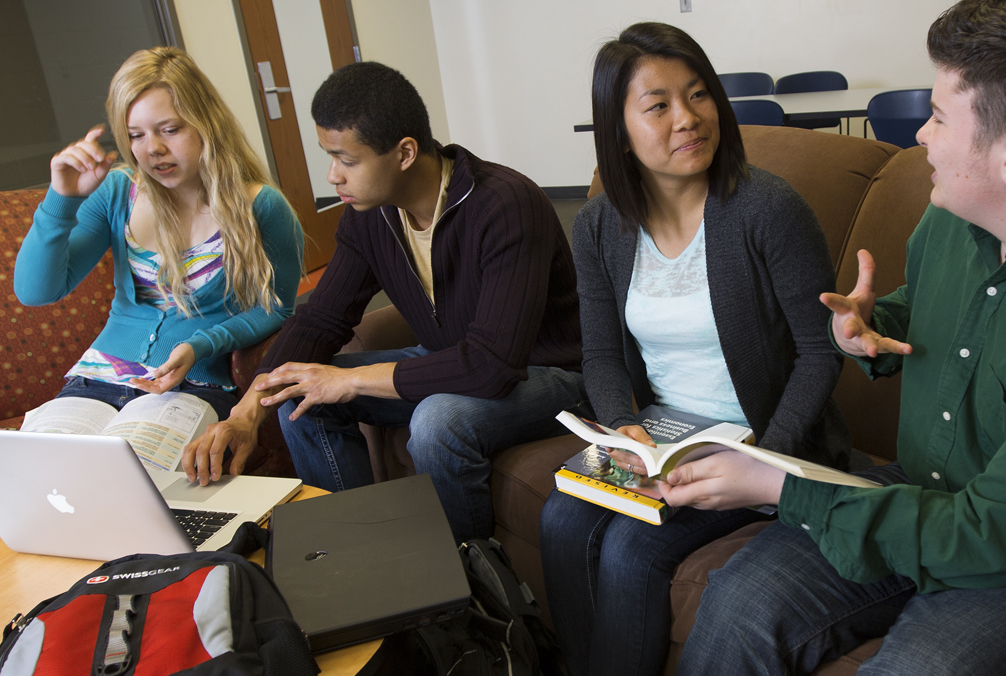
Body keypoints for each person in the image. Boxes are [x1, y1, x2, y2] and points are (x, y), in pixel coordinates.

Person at [674, 1, 1006, 674]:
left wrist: (779, 487)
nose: (918, 134)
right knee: (740, 597)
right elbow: (931, 310)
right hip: (932, 485)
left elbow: (987, 534)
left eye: (939, 116)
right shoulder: (958, 214)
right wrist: (872, 325)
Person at [538, 22, 850, 676]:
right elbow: (599, 356)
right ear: (617, 129)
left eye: (699, 95)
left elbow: (820, 354)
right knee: (561, 518)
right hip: (661, 433)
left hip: (756, 442)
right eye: (658, 106)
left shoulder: (766, 208)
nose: (687, 118)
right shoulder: (599, 224)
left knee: (629, 551)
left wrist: (765, 456)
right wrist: (623, 429)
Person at [183, 62, 586, 544]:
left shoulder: (505, 204)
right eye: (327, 157)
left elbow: (492, 365)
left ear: (405, 153)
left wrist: (348, 380)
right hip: (449, 362)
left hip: (550, 376)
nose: (333, 176)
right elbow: (322, 318)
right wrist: (246, 412)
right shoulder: (369, 215)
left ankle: (470, 586)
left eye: (346, 160)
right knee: (302, 392)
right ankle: (361, 553)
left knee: (437, 420)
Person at [14, 47, 302, 427]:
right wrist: (62, 200)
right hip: (93, 380)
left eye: (170, 129)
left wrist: (199, 345)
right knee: (40, 476)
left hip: (190, 385)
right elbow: (36, 291)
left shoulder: (261, 206)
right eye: (136, 135)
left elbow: (277, 308)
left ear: (207, 123)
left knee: (136, 479)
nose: (153, 149)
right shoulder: (119, 192)